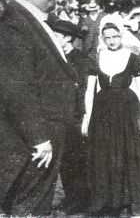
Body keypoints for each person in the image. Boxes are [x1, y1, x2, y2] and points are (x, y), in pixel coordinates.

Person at [0, 0, 79, 216]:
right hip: (36, 140)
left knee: (37, 204)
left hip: (47, 133)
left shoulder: (31, 20)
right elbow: (16, 87)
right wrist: (39, 138)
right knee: (30, 206)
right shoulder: (14, 25)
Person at [82, 19, 140, 216]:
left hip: (127, 112)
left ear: (121, 36)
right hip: (102, 112)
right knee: (105, 156)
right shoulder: (95, 58)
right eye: (108, 38)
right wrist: (87, 117)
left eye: (115, 37)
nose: (112, 41)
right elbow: (90, 90)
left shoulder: (132, 58)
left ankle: (124, 201)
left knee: (124, 155)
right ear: (103, 39)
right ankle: (107, 201)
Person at [48, 19, 92, 214]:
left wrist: (84, 118)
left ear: (67, 37)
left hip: (76, 118)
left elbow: (85, 91)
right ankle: (70, 198)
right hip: (59, 118)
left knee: (77, 161)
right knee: (65, 161)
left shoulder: (82, 61)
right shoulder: (54, 58)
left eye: (55, 35)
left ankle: (80, 201)